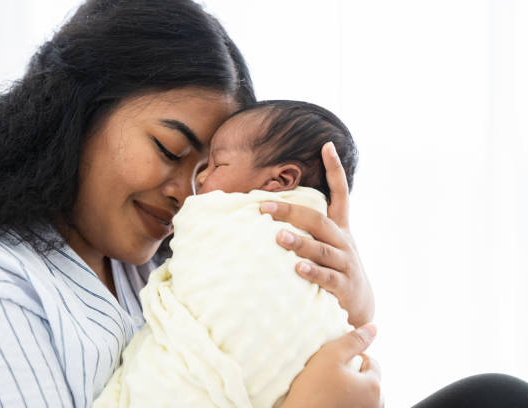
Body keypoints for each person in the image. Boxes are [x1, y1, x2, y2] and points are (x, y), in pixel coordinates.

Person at [0, 1, 379, 407]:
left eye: (208, 171)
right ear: (76, 112)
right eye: (169, 150)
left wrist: (345, 299)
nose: (188, 194)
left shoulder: (154, 261)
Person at [93, 100, 364, 408]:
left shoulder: (275, 237)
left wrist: (356, 310)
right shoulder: (28, 289)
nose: (194, 185)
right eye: (168, 150)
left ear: (282, 181)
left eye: (214, 165)